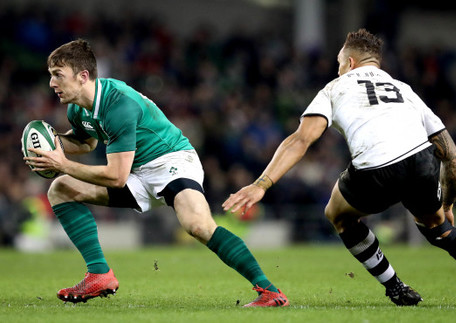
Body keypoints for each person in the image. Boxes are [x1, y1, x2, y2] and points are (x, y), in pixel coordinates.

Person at [223, 29, 456, 307]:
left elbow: (301, 140)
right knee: (441, 231)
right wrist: (448, 203)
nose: (338, 70)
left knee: (337, 213)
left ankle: (395, 287)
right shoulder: (404, 89)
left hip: (376, 169)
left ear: (349, 64)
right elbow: (453, 157)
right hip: (421, 163)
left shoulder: (336, 87)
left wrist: (262, 183)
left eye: (338, 65)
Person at [24, 39, 288, 307]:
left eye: (58, 75)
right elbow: (87, 142)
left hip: (172, 161)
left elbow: (116, 176)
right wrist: (52, 145)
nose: (52, 83)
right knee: (61, 189)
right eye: (51, 76)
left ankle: (269, 291)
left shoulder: (118, 105)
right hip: (137, 171)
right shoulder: (77, 109)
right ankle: (99, 274)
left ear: (82, 77)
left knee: (198, 226)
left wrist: (63, 165)